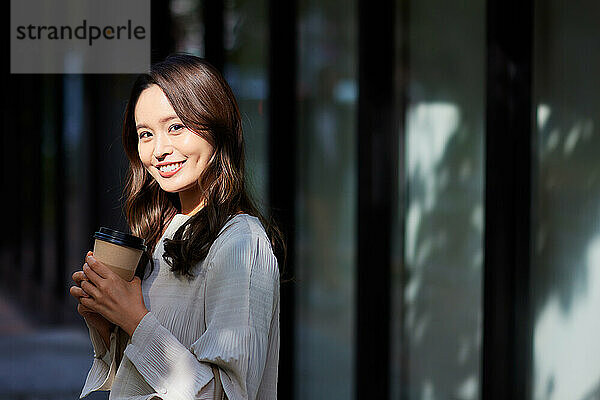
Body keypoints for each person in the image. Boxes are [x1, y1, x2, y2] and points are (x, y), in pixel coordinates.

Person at [68, 53, 285, 400]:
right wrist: (109, 323)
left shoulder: (241, 244)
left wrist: (134, 319)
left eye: (175, 127)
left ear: (216, 126)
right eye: (145, 134)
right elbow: (144, 379)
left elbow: (223, 394)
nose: (159, 150)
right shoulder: (163, 231)